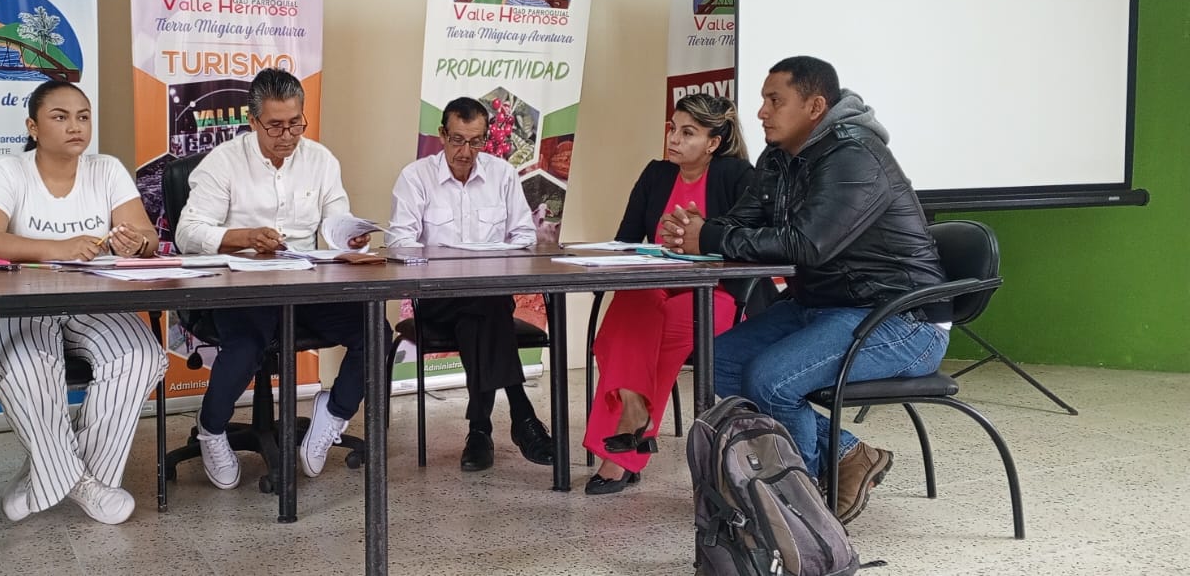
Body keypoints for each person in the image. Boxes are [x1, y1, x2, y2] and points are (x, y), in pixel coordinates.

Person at [663, 56, 951, 524]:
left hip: (899, 319)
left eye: (775, 101)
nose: (761, 112)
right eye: (763, 100)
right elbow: (741, 223)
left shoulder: (856, 156)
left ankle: (804, 509)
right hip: (822, 306)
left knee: (772, 381)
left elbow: (809, 244)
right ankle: (848, 454)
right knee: (718, 364)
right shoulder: (778, 159)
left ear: (815, 106)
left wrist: (710, 236)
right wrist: (699, 229)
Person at [0, 80, 168, 525]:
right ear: (33, 127)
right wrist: (59, 248)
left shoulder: (106, 169)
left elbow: (148, 237)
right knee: (26, 369)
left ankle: (46, 472)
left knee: (142, 356)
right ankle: (82, 483)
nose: (75, 126)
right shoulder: (7, 170)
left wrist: (136, 243)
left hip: (95, 302)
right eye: (60, 117)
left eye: (83, 117)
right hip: (22, 303)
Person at [176, 67, 384, 488]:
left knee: (374, 329)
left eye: (295, 123)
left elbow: (335, 222)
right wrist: (243, 238)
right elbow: (187, 232)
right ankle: (211, 429)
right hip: (241, 287)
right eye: (275, 126)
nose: (287, 135)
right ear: (253, 121)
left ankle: (334, 412)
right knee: (247, 343)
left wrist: (350, 236)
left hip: (304, 284)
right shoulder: (224, 163)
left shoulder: (320, 160)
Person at [580, 94, 754, 495]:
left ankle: (621, 456)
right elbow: (625, 240)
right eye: (673, 129)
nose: (673, 139)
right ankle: (634, 412)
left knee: (633, 339)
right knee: (631, 304)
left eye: (688, 133)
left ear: (713, 142)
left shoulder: (736, 175)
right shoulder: (656, 174)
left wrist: (703, 234)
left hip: (715, 293)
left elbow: (748, 244)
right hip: (658, 283)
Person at [386, 97, 554, 472]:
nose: (465, 152)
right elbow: (399, 243)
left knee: (481, 313)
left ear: (486, 139)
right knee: (486, 311)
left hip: (488, 298)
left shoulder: (502, 175)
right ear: (442, 135)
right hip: (436, 299)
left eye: (475, 141)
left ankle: (481, 433)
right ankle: (521, 415)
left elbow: (525, 236)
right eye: (458, 140)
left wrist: (494, 256)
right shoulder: (416, 177)